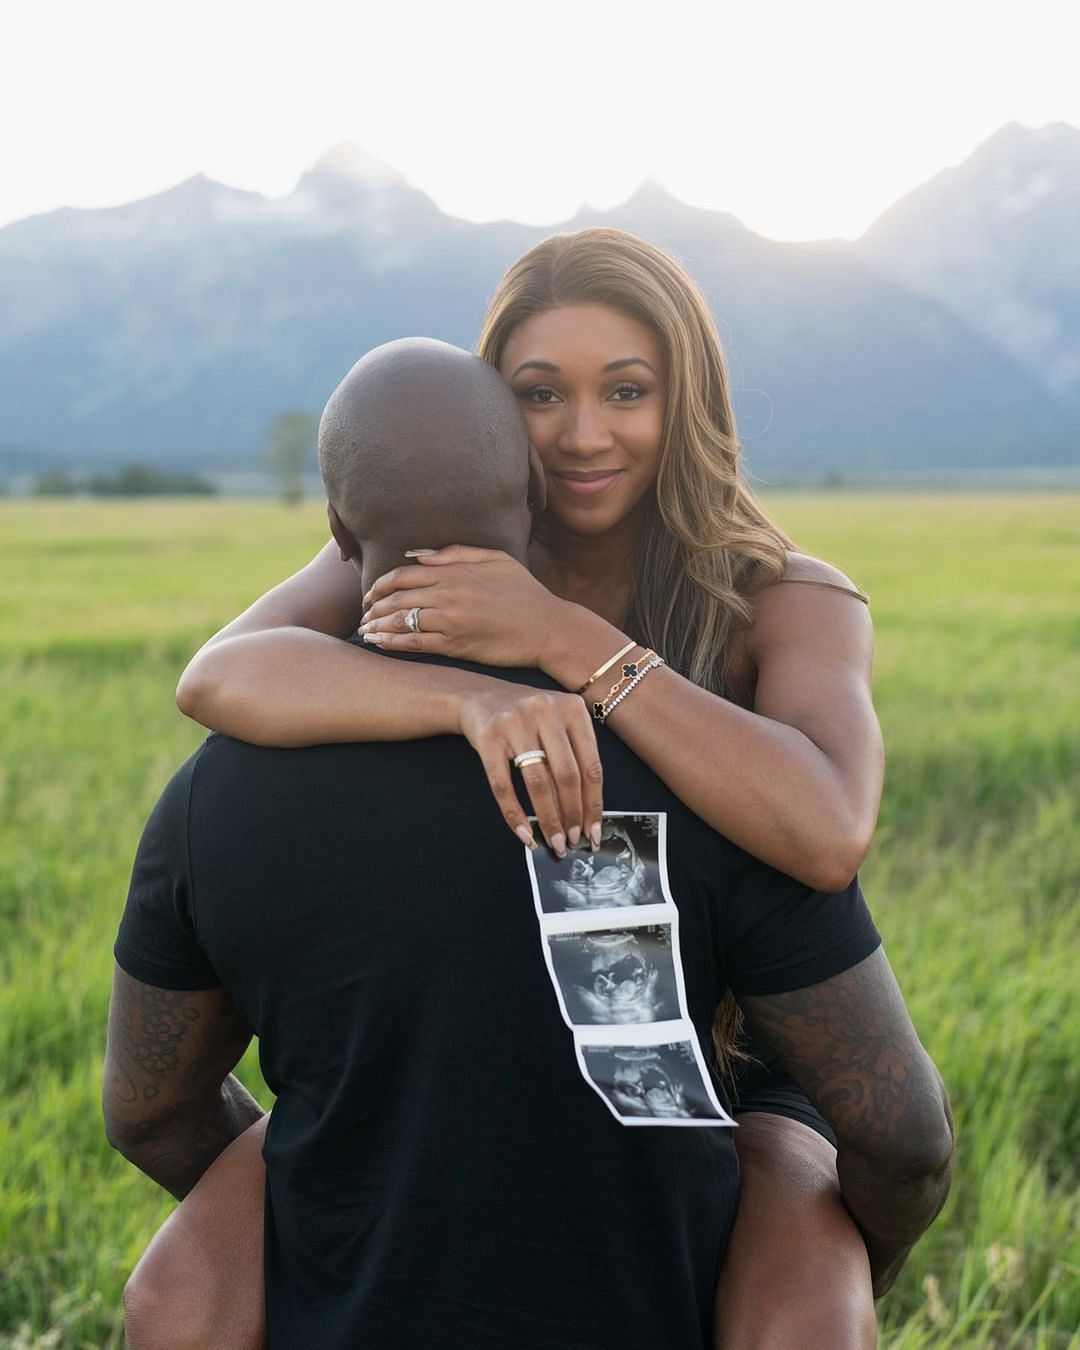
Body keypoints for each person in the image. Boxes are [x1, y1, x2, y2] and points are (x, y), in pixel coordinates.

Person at [105, 338, 954, 1350]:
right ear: (525, 481)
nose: (583, 431)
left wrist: (331, 1197)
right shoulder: (684, 775)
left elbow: (151, 1113)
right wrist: (475, 698)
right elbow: (901, 1137)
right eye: (542, 394)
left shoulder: (213, 798)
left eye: (625, 389)